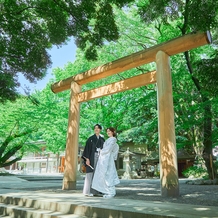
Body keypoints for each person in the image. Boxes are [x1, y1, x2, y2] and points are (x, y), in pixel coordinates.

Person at [92, 127, 120, 198]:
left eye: (110, 131)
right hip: (105, 158)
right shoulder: (108, 140)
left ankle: (111, 192)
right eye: (107, 131)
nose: (108, 132)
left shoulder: (113, 139)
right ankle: (107, 191)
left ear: (113, 132)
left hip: (108, 158)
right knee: (104, 174)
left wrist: (101, 151)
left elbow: (108, 149)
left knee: (109, 174)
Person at [82, 124, 105, 196]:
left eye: (98, 128)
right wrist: (87, 159)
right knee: (90, 174)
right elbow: (87, 150)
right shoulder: (90, 139)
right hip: (91, 157)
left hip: (100, 157)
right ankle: (87, 191)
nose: (96, 129)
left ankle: (96, 191)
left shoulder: (102, 139)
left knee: (98, 174)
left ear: (100, 129)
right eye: (95, 128)